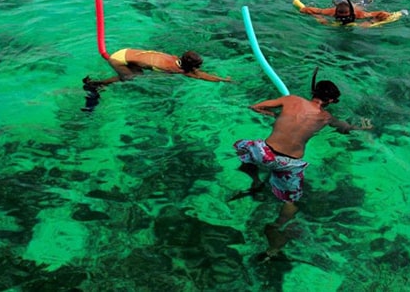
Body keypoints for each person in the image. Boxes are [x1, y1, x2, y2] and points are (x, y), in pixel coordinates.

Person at [232, 70, 373, 260]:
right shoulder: (326, 118)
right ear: (330, 101)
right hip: (289, 164)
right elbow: (345, 130)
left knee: (242, 146)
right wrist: (363, 127)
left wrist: (276, 116)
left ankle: (256, 180)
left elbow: (255, 106)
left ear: (314, 92)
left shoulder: (291, 100)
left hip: (264, 154)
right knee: (290, 201)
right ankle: (276, 228)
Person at [81, 49, 230, 110]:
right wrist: (223, 80)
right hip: (117, 59)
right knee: (131, 78)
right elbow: (200, 75)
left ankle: (98, 83)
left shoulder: (175, 60)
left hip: (126, 52)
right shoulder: (172, 69)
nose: (198, 68)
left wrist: (222, 79)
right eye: (197, 65)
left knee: (138, 74)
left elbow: (197, 72)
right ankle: (95, 84)